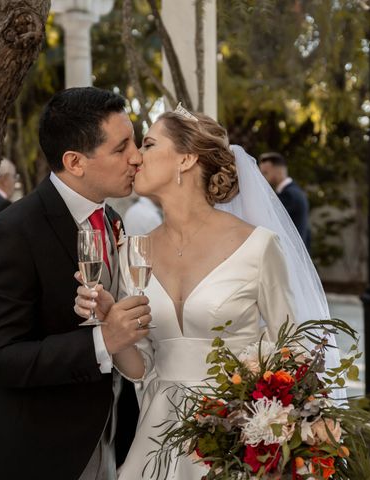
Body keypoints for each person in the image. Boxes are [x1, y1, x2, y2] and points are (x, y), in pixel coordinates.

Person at [74, 106, 339, 479]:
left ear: (186, 158)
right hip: (157, 441)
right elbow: (139, 368)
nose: (135, 157)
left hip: (235, 439)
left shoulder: (259, 246)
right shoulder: (131, 252)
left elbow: (294, 350)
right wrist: (110, 322)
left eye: (148, 144)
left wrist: (269, 428)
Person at [0, 87, 151, 480]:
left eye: (135, 143)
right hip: (42, 454)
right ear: (75, 161)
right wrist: (103, 341)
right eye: (121, 148)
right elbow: (0, 359)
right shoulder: (11, 234)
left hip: (113, 437)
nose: (137, 157)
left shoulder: (114, 222)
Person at [258, 152, 312, 251]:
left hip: (291, 254)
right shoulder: (295, 191)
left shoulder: (289, 195)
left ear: (279, 171)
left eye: (265, 173)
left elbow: (269, 223)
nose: (262, 177)